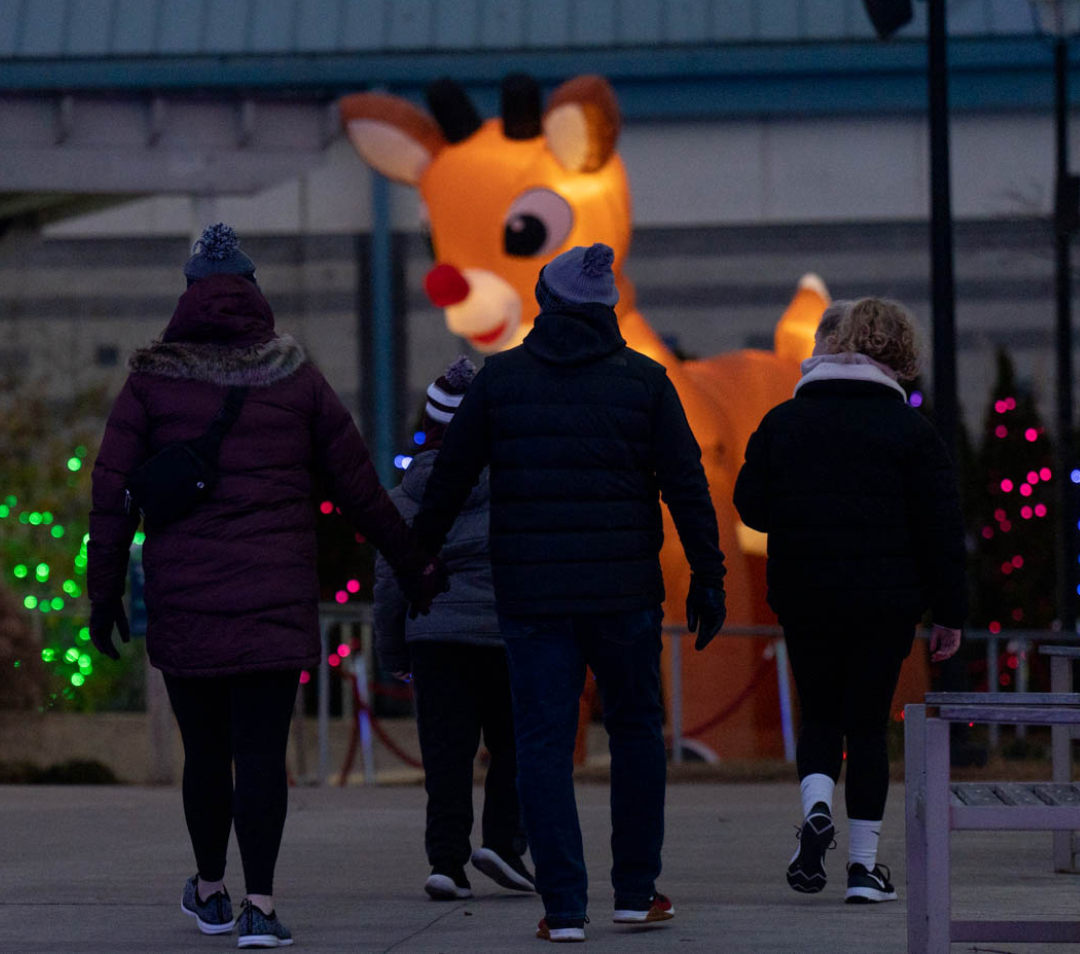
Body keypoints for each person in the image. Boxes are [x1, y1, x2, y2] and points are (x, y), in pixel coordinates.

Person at [87, 223, 446, 949]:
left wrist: (102, 593)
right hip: (275, 604)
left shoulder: (150, 381)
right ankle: (261, 904)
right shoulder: (297, 378)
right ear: (254, 293)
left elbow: (112, 490)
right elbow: (360, 489)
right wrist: (413, 567)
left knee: (204, 754)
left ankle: (211, 891)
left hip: (187, 603)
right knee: (259, 755)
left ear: (189, 295)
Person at [410, 243, 728, 943]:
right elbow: (686, 486)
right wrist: (709, 576)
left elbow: (448, 480)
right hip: (624, 595)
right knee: (638, 734)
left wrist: (417, 561)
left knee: (543, 744)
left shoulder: (502, 381)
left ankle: (564, 907)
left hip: (531, 597)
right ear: (607, 310)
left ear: (547, 304)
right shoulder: (646, 382)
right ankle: (635, 893)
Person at [733, 296, 966, 905]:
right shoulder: (912, 432)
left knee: (819, 715)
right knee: (866, 727)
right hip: (885, 604)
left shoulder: (784, 421)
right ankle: (863, 869)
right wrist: (950, 613)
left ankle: (815, 810)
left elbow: (750, 506)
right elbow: (941, 530)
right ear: (900, 354)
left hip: (806, 594)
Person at [374, 355, 534, 903]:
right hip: (504, 632)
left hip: (434, 637)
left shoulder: (404, 497)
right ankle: (504, 846)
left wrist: (391, 648)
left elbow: (391, 583)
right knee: (513, 745)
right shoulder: (515, 483)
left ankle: (447, 862)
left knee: (446, 755)